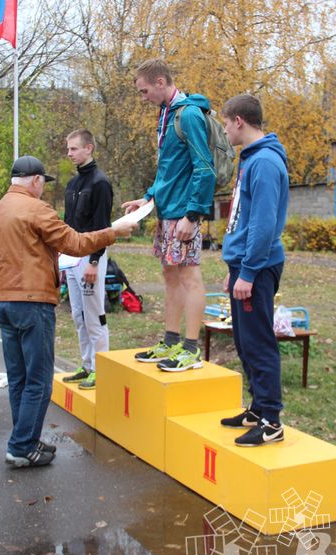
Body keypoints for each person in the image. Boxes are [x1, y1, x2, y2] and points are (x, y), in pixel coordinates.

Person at [0, 155, 137, 468]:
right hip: (33, 301)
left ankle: (25, 437)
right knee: (39, 379)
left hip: (3, 301)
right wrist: (114, 231)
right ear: (36, 181)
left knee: (19, 378)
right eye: (43, 183)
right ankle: (21, 446)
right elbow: (75, 243)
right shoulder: (37, 209)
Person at [123, 58, 215, 372]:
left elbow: (204, 168)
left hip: (184, 213)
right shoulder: (167, 114)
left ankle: (191, 349)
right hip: (166, 210)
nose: (143, 97)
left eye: (145, 90)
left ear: (161, 82)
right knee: (170, 276)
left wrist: (193, 214)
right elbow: (170, 168)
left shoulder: (188, 114)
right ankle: (171, 340)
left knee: (190, 276)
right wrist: (148, 197)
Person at [216, 94, 290, 447]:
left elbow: (263, 225)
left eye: (225, 123)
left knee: (259, 343)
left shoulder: (264, 163)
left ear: (239, 121)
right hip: (245, 265)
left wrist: (247, 272)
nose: (224, 130)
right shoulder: (251, 160)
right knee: (245, 342)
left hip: (257, 268)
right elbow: (242, 219)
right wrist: (235, 268)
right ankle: (259, 408)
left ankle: (272, 421)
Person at [61, 129, 114, 390]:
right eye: (68, 149)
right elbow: (67, 224)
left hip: (91, 258)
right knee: (78, 314)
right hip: (70, 257)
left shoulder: (100, 183)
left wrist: (94, 261)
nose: (69, 153)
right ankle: (86, 365)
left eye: (73, 149)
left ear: (89, 148)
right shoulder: (72, 184)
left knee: (94, 315)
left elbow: (103, 227)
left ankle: (101, 367)